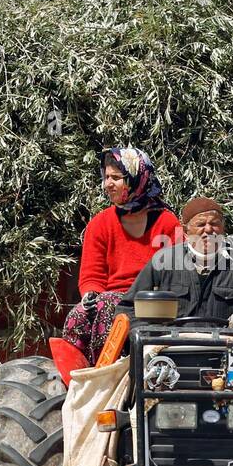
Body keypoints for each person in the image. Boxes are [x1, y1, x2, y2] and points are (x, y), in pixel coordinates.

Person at [62, 148, 181, 363]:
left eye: (116, 178)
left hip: (151, 302)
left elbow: (177, 274)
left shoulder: (167, 222)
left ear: (137, 179)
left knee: (110, 306)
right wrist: (90, 295)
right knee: (78, 316)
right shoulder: (100, 223)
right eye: (106, 177)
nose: (108, 184)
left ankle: (107, 373)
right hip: (108, 299)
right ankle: (80, 378)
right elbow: (92, 276)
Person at [120, 196, 233, 327]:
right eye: (200, 225)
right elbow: (127, 309)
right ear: (185, 232)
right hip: (170, 348)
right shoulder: (164, 260)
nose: (208, 230)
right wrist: (149, 335)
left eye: (215, 224)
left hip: (226, 347)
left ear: (223, 228)